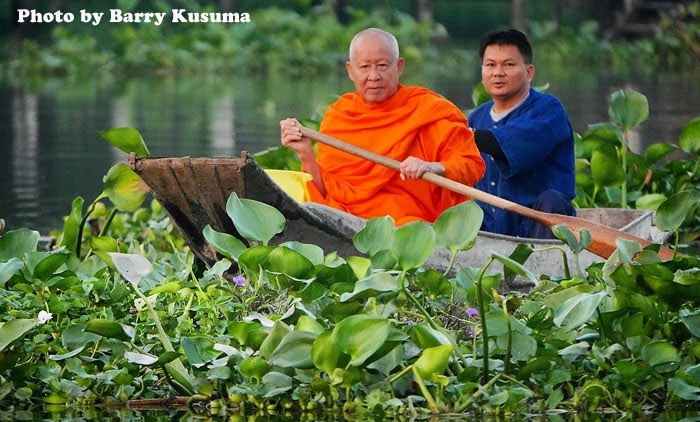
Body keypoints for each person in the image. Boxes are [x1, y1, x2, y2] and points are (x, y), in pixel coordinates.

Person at [280, 28, 485, 226]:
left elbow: (472, 165)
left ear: (399, 67)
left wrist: (431, 167)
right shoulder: (339, 115)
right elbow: (326, 191)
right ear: (351, 71)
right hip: (344, 217)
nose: (374, 76)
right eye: (365, 67)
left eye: (382, 66)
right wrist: (306, 153)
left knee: (410, 228)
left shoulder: (429, 110)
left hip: (406, 224)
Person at [469, 29, 576, 239]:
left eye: (508, 65)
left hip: (536, 227)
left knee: (551, 200)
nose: (498, 72)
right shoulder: (477, 117)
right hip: (489, 226)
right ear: (482, 71)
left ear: (529, 72)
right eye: (490, 65)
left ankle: (544, 266)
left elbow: (509, 143)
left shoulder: (548, 109)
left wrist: (457, 135)